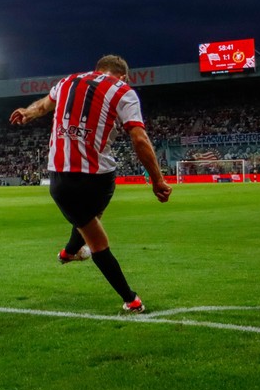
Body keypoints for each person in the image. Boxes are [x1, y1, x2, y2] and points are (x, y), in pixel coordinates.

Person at [10, 54, 171, 314]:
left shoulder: (67, 82)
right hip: (102, 179)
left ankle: (81, 260)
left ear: (97, 70)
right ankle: (118, 290)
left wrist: (27, 113)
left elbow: (43, 105)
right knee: (92, 228)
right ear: (122, 76)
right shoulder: (123, 90)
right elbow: (139, 139)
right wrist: (157, 180)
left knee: (91, 230)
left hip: (63, 179)